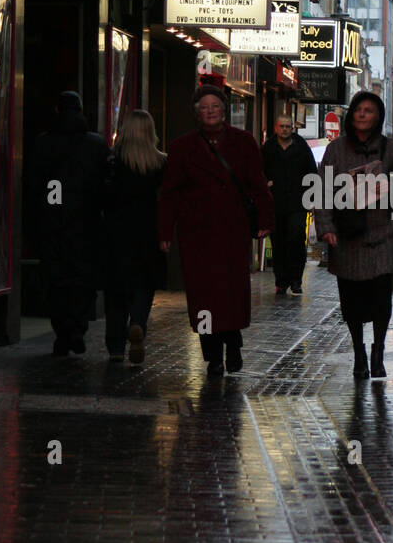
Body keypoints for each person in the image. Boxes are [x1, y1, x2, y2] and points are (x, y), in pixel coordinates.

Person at [157, 84, 273, 376]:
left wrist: (264, 222)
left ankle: (233, 345)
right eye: (203, 107)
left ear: (224, 110)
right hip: (197, 234)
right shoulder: (182, 147)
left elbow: (258, 186)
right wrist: (164, 232)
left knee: (231, 293)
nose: (209, 111)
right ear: (197, 113)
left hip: (232, 231)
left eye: (215, 106)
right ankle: (212, 355)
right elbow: (169, 193)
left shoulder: (244, 142)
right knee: (204, 295)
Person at [315, 90, 393, 379]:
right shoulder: (335, 150)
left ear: (379, 116)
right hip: (348, 235)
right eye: (358, 110)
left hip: (383, 234)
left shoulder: (392, 150)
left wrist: (388, 188)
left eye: (369, 110)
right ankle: (358, 351)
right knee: (351, 301)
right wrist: (326, 227)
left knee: (381, 298)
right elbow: (322, 192)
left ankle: (378, 350)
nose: (363, 115)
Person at [28, 90, 108, 356]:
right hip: (85, 223)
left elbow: (33, 185)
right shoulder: (95, 144)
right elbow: (103, 185)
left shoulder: (43, 143)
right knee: (82, 280)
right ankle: (77, 327)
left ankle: (63, 332)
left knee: (56, 280)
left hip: (52, 223)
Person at [102, 110, 167, 363]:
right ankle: (137, 322)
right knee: (144, 285)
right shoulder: (161, 163)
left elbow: (103, 197)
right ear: (150, 132)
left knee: (116, 291)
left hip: (116, 234)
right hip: (148, 234)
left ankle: (116, 346)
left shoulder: (112, 162)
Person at [260, 115, 318, 294]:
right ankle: (281, 280)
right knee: (278, 243)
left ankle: (296, 280)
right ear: (276, 128)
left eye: (288, 126)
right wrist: (266, 183)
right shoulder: (268, 148)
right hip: (276, 203)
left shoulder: (301, 147)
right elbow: (259, 171)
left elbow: (312, 173)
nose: (285, 129)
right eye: (282, 126)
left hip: (297, 202)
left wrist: (312, 199)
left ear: (292, 128)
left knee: (296, 238)